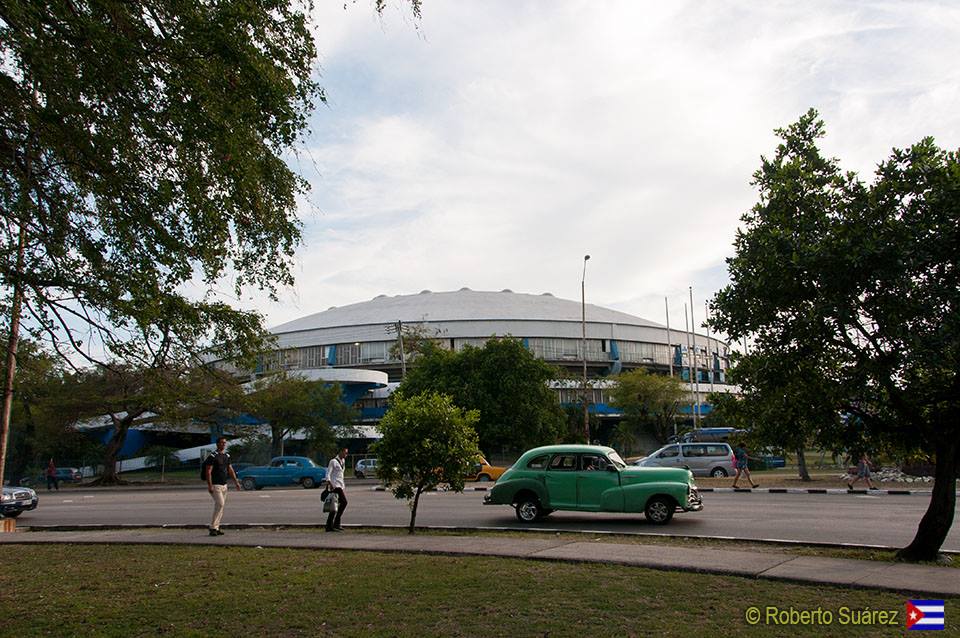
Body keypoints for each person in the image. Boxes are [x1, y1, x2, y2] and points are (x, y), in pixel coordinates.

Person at [203, 437, 242, 536]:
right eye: (221, 443)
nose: (223, 444)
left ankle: (216, 527)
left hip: (224, 485)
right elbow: (208, 471)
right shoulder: (212, 456)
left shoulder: (226, 455)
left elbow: (230, 469)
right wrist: (210, 485)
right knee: (220, 504)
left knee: (221, 506)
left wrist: (236, 482)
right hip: (216, 485)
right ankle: (212, 527)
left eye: (225, 443)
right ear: (217, 444)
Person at [325, 447, 348, 532]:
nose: (346, 455)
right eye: (345, 453)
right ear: (341, 452)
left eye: (347, 453)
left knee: (334, 506)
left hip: (340, 485)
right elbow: (328, 473)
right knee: (344, 502)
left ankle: (330, 526)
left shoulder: (343, 461)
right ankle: (335, 523)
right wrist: (329, 483)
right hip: (335, 486)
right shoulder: (333, 461)